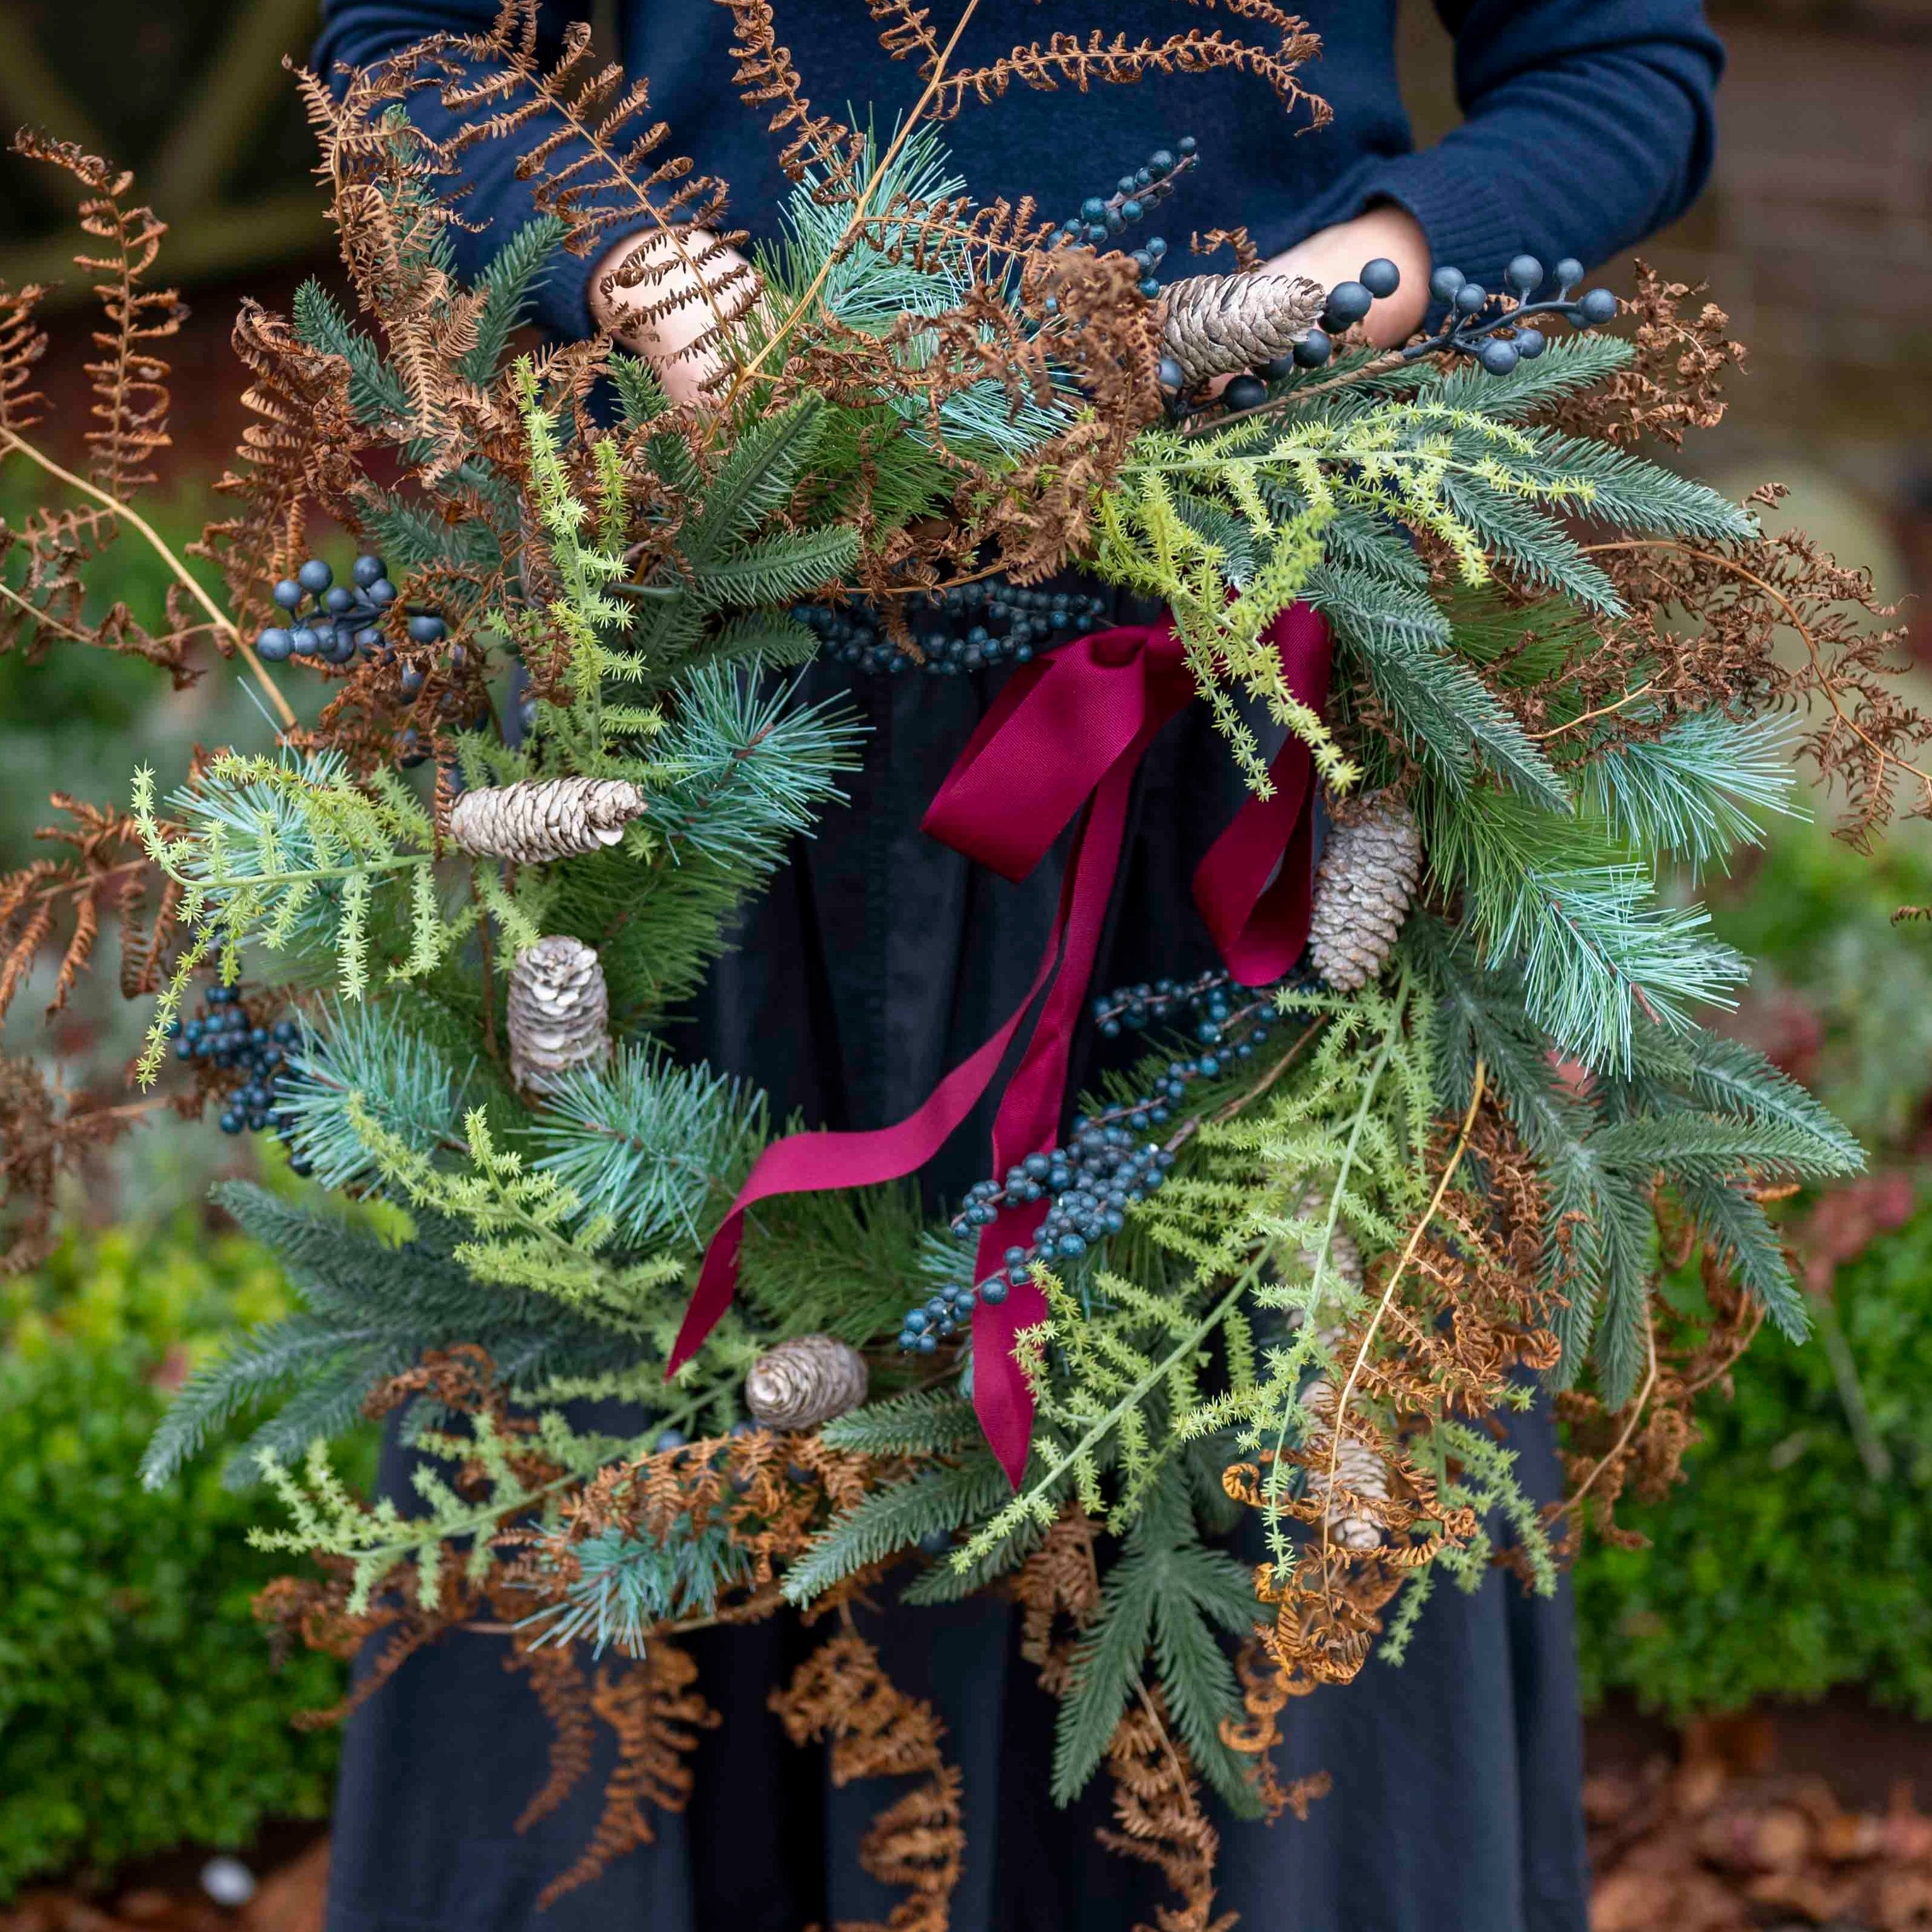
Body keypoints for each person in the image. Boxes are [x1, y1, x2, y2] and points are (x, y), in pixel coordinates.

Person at [308, 6, 1725, 1930]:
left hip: (1248, 723)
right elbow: (405, 38)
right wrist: (611, 258)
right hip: (717, 713)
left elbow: (1617, 60)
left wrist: (1315, 297)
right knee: (658, 1545)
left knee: (1264, 1580)